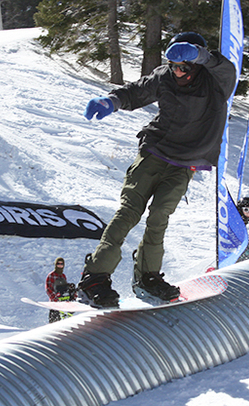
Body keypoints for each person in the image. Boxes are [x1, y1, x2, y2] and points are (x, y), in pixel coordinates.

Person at [79, 31, 237, 307]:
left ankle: (148, 278)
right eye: (174, 66)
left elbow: (223, 66)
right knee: (129, 212)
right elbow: (136, 91)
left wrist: (199, 55)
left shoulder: (217, 81)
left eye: (184, 66)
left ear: (197, 62)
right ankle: (95, 278)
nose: (178, 72)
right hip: (155, 152)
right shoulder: (165, 77)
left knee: (159, 218)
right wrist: (111, 102)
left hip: (184, 164)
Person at [45, 257, 76, 323]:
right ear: (55, 265)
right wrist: (55, 299)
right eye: (58, 264)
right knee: (54, 322)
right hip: (55, 304)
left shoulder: (63, 276)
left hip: (63, 303)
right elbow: (48, 289)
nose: (60, 265)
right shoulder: (51, 275)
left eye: (61, 264)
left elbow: (64, 288)